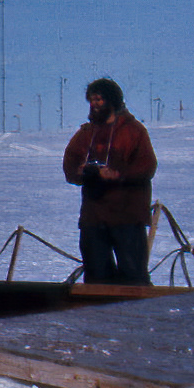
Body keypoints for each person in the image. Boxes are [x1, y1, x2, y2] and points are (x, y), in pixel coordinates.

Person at [62, 78, 157, 285]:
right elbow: (70, 165)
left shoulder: (133, 131)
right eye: (91, 100)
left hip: (127, 216)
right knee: (96, 277)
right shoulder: (86, 133)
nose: (94, 104)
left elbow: (147, 166)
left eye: (99, 99)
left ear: (112, 100)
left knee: (133, 278)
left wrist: (117, 174)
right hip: (94, 217)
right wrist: (83, 172)